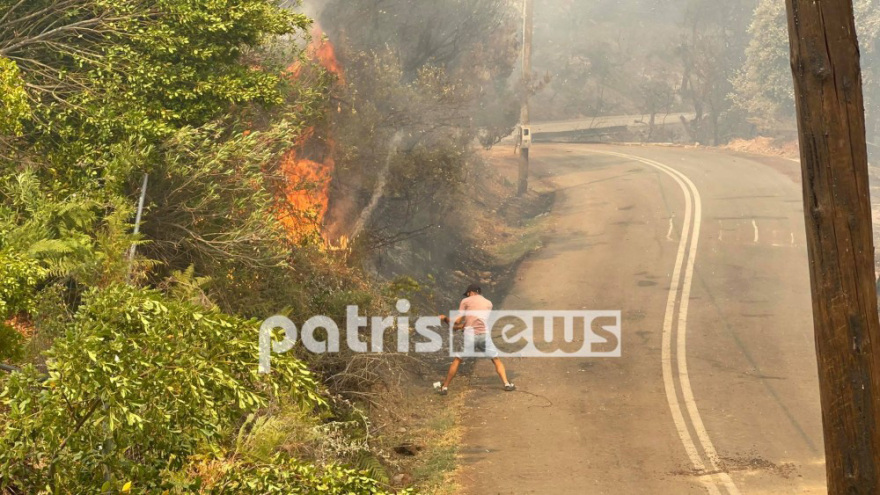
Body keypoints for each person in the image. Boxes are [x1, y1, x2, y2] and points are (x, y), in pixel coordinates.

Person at [436, 284, 515, 395]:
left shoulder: (466, 301)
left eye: (468, 293)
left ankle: (445, 387)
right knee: (496, 360)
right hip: (484, 335)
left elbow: (457, 322)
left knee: (457, 360)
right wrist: (460, 326)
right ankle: (507, 384)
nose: (468, 295)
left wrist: (445, 318)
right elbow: (476, 320)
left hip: (470, 336)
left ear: (471, 292)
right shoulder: (489, 303)